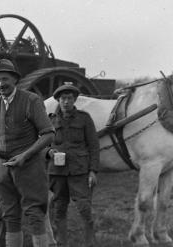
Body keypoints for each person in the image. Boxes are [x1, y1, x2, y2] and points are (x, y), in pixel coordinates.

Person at [0, 59, 55, 247]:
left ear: (15, 79)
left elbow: (48, 134)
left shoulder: (31, 100)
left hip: (29, 166)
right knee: (9, 214)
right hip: (3, 168)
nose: (0, 84)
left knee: (34, 213)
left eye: (4, 79)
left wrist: (25, 155)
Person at [47, 84, 100, 247]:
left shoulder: (84, 118)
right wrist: (49, 152)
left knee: (84, 208)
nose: (66, 102)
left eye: (69, 98)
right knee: (59, 208)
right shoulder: (50, 120)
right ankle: (61, 243)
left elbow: (93, 146)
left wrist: (93, 171)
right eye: (63, 99)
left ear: (75, 100)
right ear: (58, 100)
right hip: (57, 172)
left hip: (79, 171)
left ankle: (90, 243)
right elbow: (42, 144)